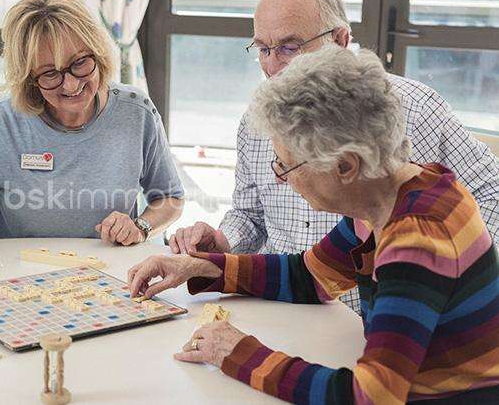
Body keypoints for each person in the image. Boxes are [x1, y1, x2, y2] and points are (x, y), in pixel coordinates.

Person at [129, 46, 499, 403]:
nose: (279, 179)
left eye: (286, 165)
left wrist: (239, 352)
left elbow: (369, 397)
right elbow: (313, 276)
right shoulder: (386, 196)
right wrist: (201, 266)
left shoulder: (416, 240)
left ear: (345, 166)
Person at [169, 0, 499, 314]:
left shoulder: (413, 109)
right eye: (263, 49)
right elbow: (258, 224)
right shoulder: (263, 121)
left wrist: (451, 273)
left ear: (340, 40)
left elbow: (490, 195)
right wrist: (220, 248)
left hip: (375, 309)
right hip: (285, 293)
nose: (271, 66)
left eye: (288, 47)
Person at [0, 0, 184, 244]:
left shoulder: (136, 113)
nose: (70, 85)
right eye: (50, 73)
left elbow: (170, 198)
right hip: (22, 276)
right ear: (29, 79)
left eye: (80, 63)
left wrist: (140, 227)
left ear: (99, 53)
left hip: (109, 267)